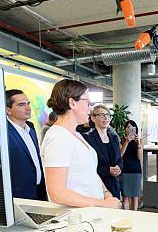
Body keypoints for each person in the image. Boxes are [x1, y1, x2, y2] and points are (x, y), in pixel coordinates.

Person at [40, 79, 121, 208]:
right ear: (72, 103)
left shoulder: (76, 134)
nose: (90, 108)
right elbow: (57, 193)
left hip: (90, 212)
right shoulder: (58, 137)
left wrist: (106, 193)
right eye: (87, 102)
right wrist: (103, 203)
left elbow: (89, 171)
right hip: (75, 217)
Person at [5, 89, 47, 200]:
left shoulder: (31, 128)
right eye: (21, 105)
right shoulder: (4, 133)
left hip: (39, 191)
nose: (28, 108)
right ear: (8, 110)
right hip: (19, 196)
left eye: (28, 103)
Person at [83, 104, 123, 199]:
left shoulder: (114, 138)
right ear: (93, 118)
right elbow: (86, 166)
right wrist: (107, 170)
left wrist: (119, 168)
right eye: (101, 115)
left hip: (114, 184)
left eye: (108, 115)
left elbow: (119, 160)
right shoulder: (88, 138)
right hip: (97, 185)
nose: (106, 117)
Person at [120, 120, 142, 210]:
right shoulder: (122, 140)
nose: (130, 129)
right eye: (128, 127)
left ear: (135, 129)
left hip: (136, 171)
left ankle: (135, 215)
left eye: (132, 127)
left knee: (135, 197)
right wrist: (126, 142)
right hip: (125, 170)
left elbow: (140, 157)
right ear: (125, 129)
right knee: (125, 197)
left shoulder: (139, 141)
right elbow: (120, 155)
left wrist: (139, 144)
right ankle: (126, 215)